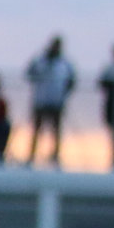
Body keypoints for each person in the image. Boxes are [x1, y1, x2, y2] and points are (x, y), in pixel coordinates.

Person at [26, 36, 75, 165]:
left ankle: (55, 155)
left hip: (56, 102)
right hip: (41, 101)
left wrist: (63, 95)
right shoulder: (40, 60)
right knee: (37, 129)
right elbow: (29, 74)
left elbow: (71, 81)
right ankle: (31, 156)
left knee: (56, 130)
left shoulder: (65, 63)